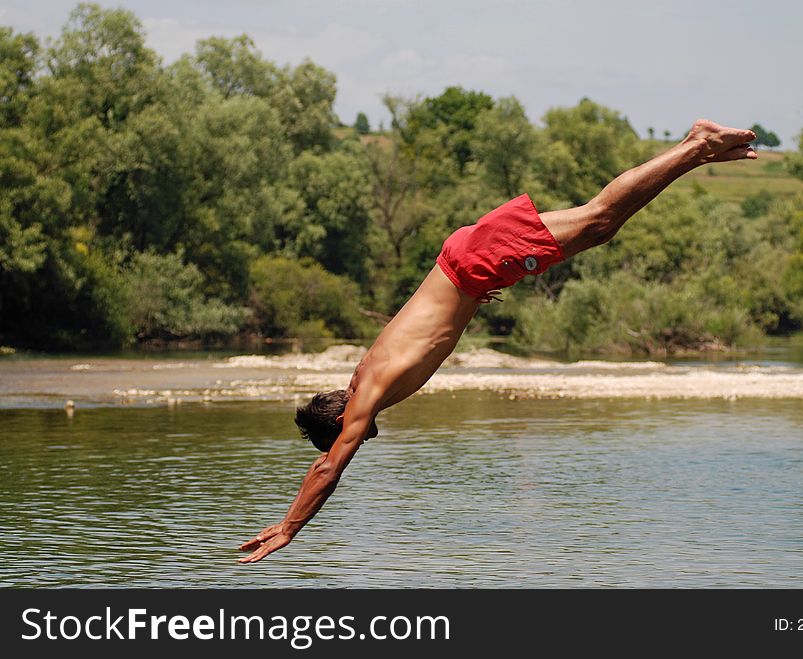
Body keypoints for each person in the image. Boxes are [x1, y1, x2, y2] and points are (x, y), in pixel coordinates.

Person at [238, 119, 757, 563]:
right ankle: (696, 150)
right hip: (472, 265)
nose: (361, 441)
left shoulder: (367, 395)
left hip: (475, 263)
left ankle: (696, 146)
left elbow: (328, 466)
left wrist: (290, 527)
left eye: (346, 436)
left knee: (599, 219)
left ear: (340, 421)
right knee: (599, 224)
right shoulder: (367, 378)